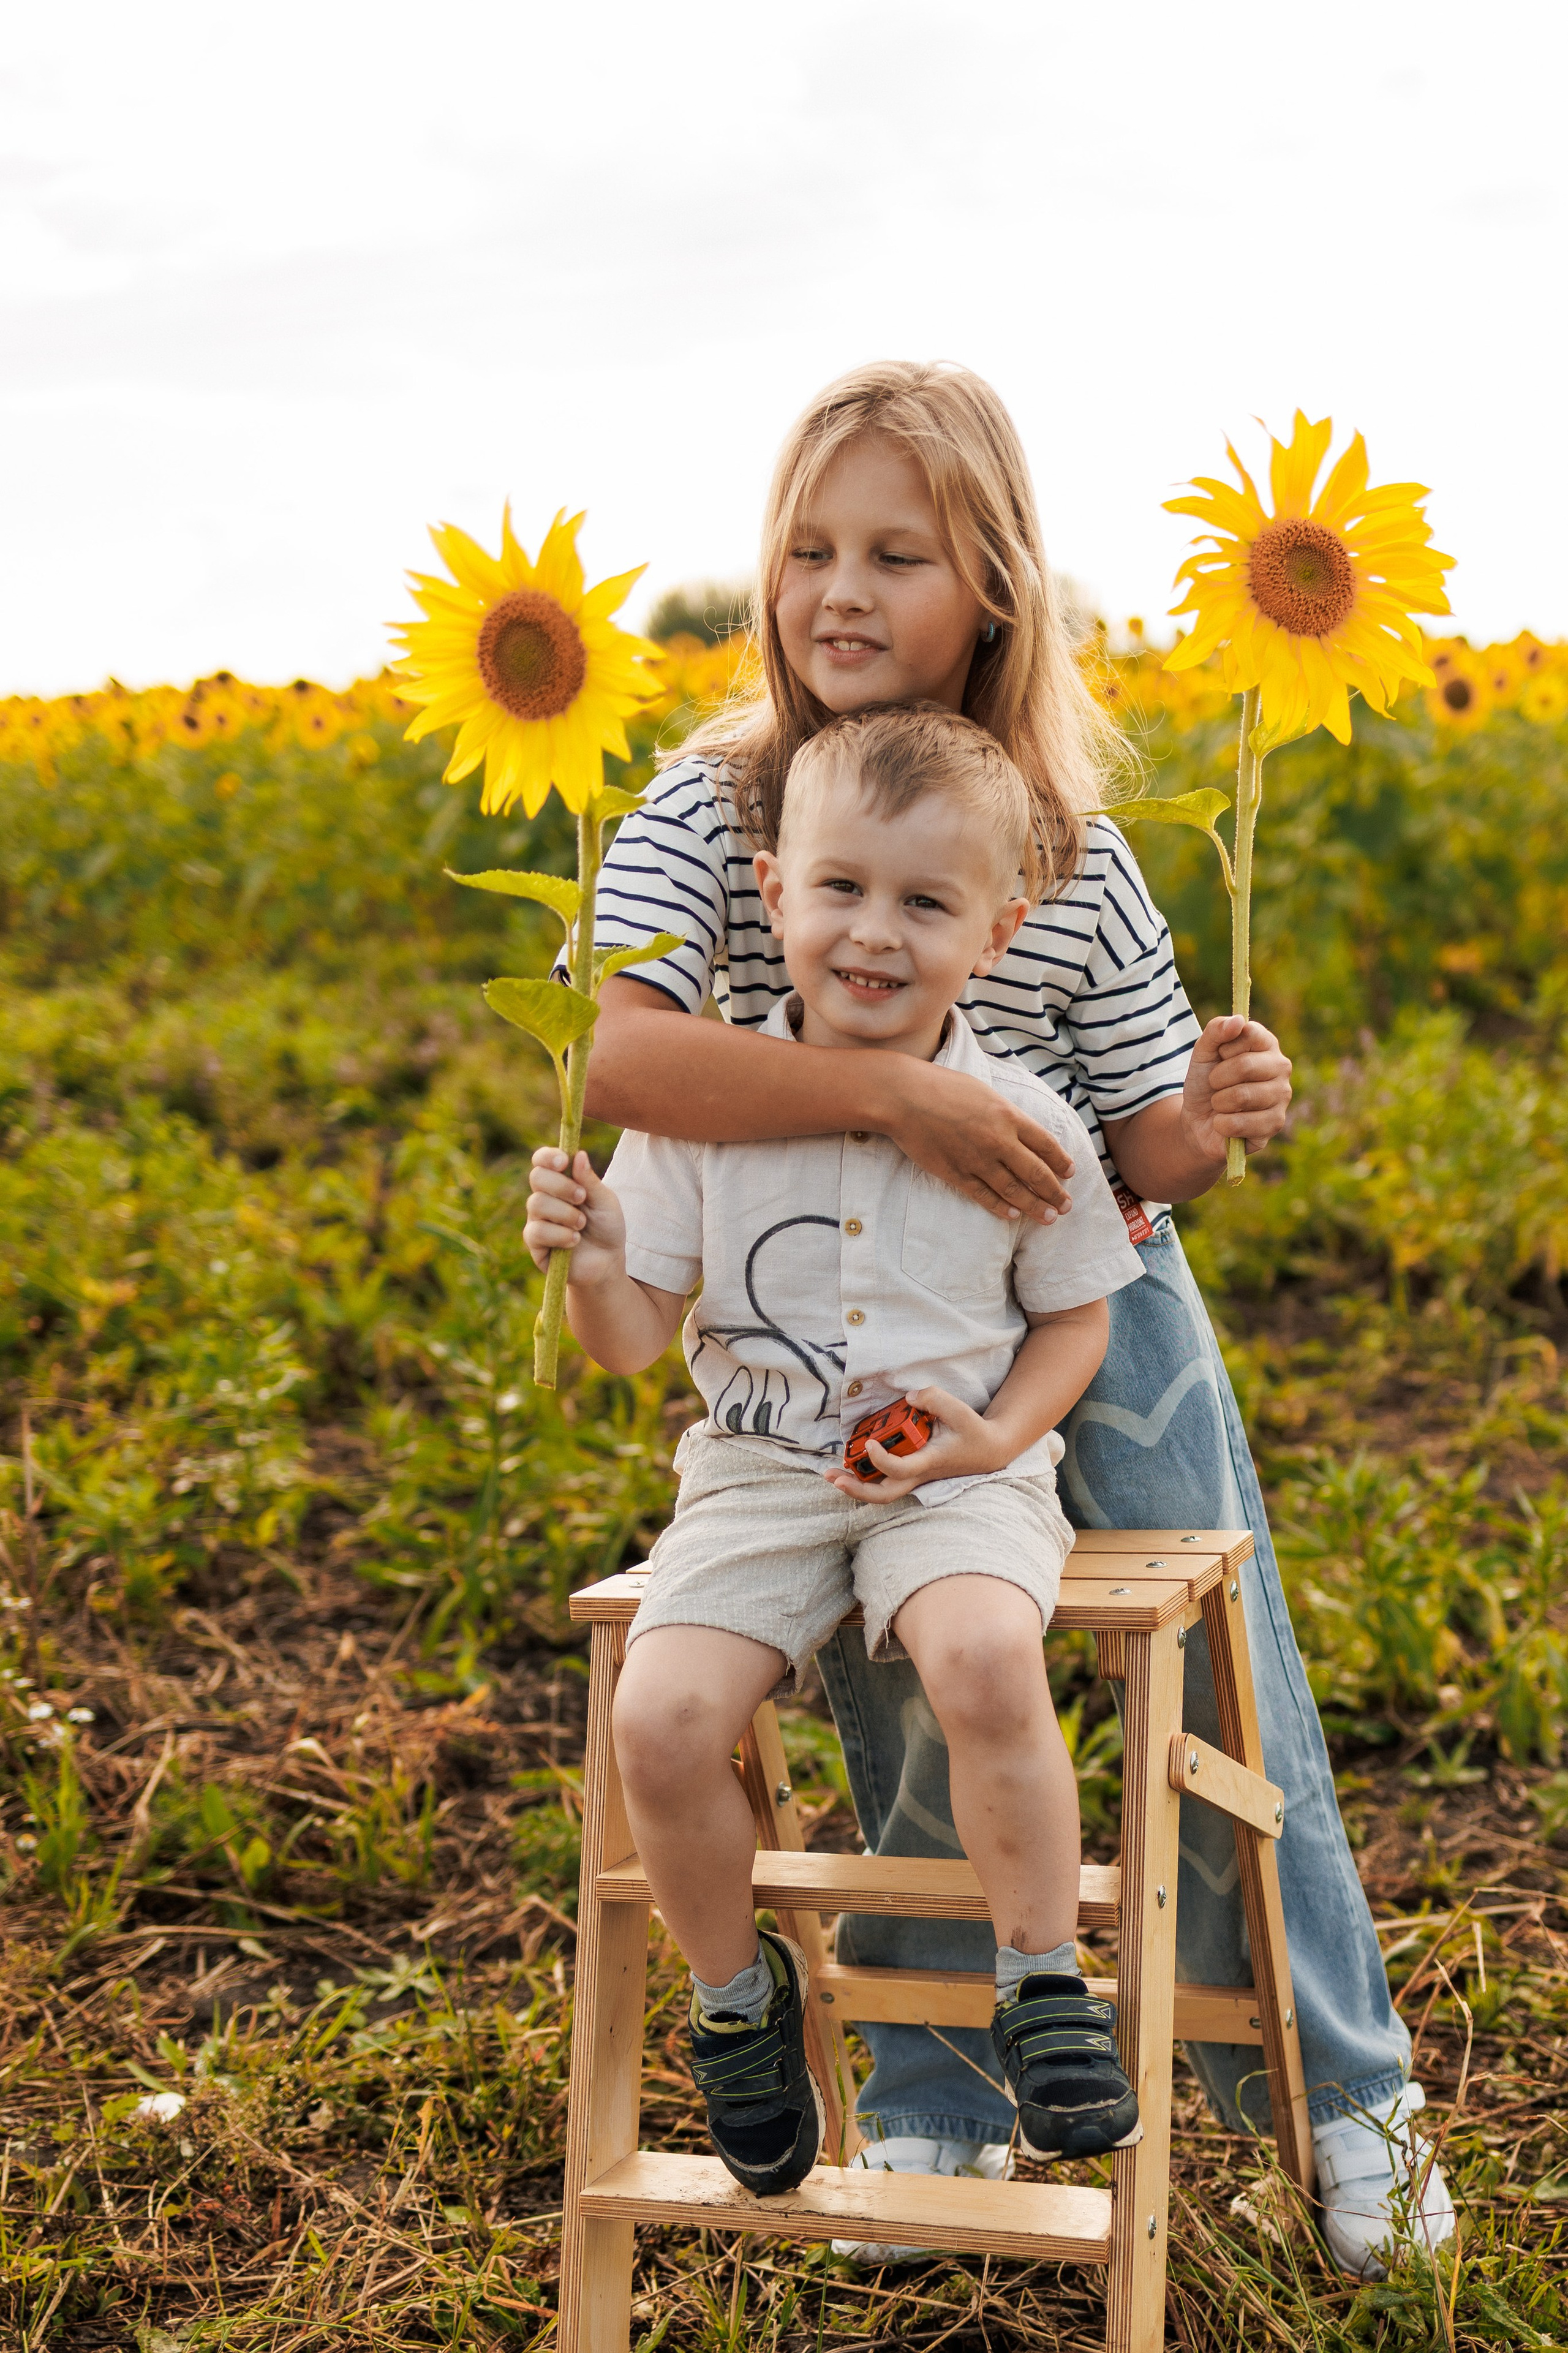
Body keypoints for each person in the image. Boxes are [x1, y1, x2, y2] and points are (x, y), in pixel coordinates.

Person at [566, 361, 1453, 2276]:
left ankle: (1350, 2086)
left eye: (898, 550)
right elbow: (633, 1062)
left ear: (997, 587)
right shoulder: (714, 807)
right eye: (809, 545)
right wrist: (902, 1096)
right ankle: (946, 2098)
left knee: (1232, 1706)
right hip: (829, 1340)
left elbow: (1139, 1149)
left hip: (1088, 1311)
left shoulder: (1070, 842)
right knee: (906, 1699)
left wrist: (1215, 1124)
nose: (839, 590)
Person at [526, 703, 1150, 2195]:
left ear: (993, 932)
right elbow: (628, 1342)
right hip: (755, 1473)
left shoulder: (1022, 1117)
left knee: (987, 1662)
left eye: (924, 903)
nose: (873, 934)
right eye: (841, 889)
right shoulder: (699, 1117)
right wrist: (595, 1259)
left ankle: (1041, 1980)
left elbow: (1075, 1319)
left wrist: (998, 1433)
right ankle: (739, 2006)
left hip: (958, 1466)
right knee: (661, 1725)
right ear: (771, 888)